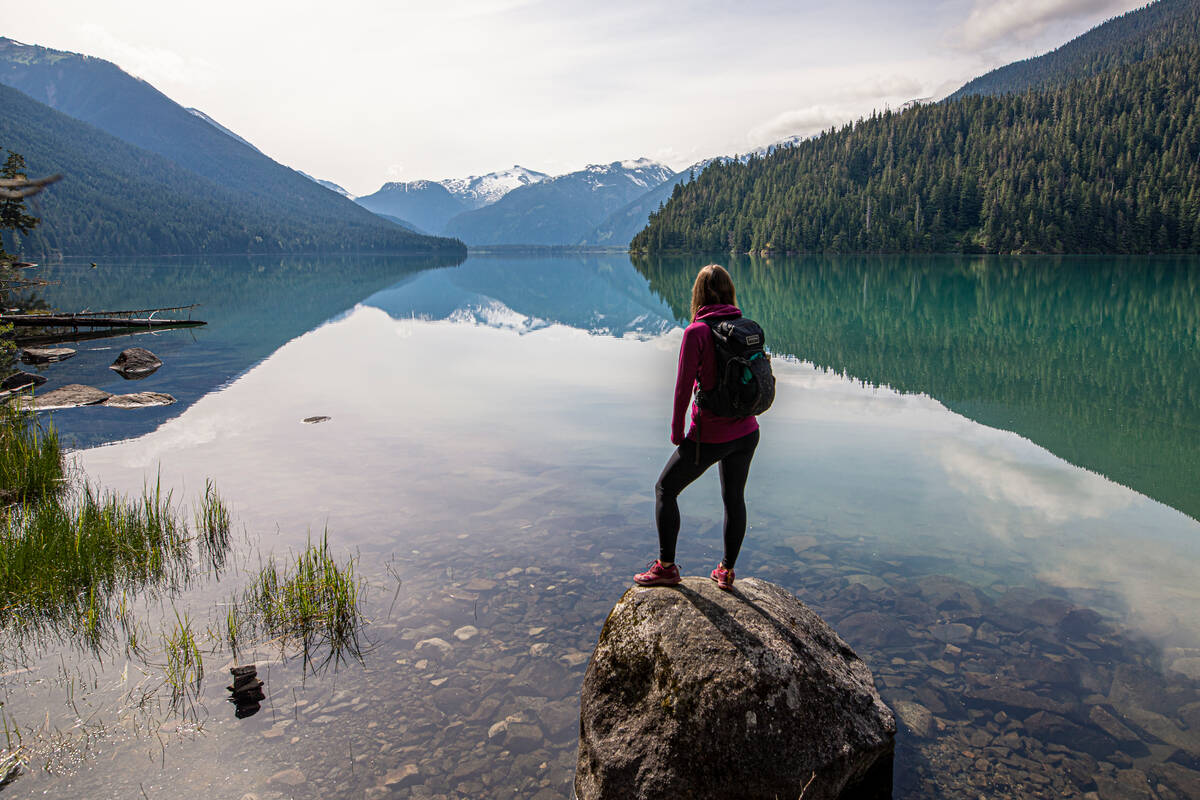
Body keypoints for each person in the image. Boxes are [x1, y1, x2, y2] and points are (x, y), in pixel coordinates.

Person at [634, 264, 760, 591]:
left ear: (698, 294)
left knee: (665, 489)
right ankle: (726, 572)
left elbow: (682, 389)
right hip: (747, 432)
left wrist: (678, 434)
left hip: (710, 436)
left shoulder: (697, 332)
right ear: (729, 291)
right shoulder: (743, 327)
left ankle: (665, 567)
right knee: (734, 498)